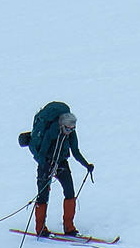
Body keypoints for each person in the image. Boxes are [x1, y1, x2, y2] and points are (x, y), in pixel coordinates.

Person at [26, 101, 94, 236]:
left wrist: (87, 165)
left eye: (73, 128)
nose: (71, 131)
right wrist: (44, 165)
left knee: (70, 192)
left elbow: (75, 151)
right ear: (62, 125)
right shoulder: (51, 133)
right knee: (43, 195)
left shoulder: (71, 133)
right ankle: (40, 229)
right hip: (47, 164)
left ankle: (69, 227)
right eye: (68, 128)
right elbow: (43, 152)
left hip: (62, 163)